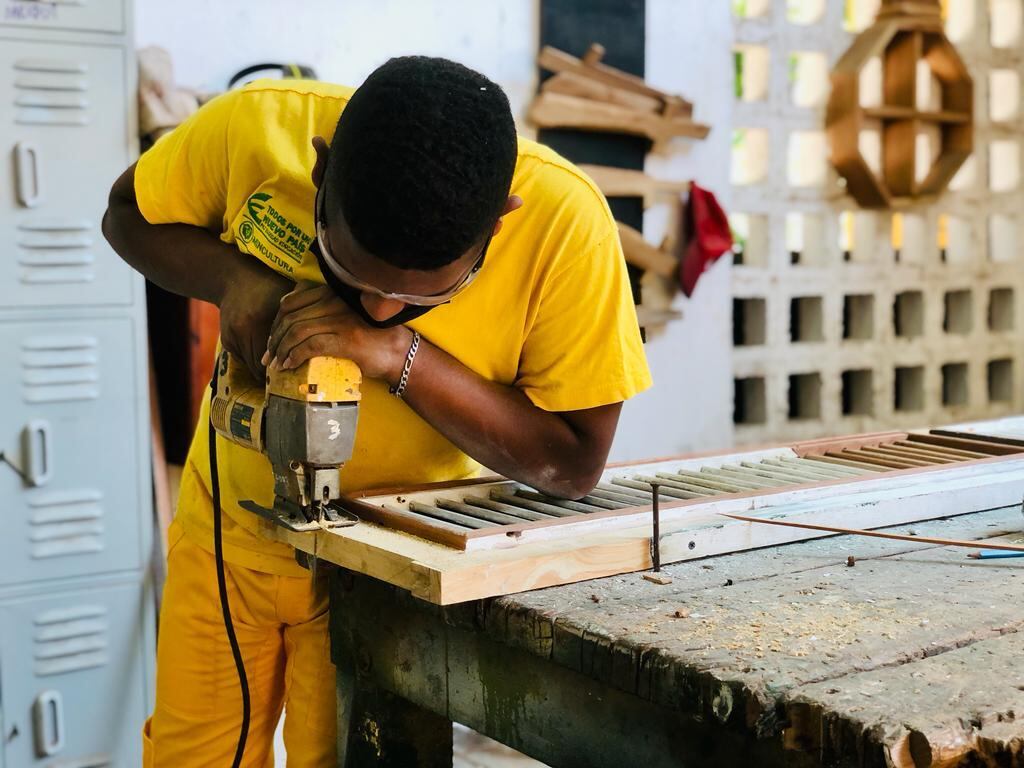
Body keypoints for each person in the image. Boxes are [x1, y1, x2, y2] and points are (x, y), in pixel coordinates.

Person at [103, 55, 651, 767]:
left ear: (498, 225)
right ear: (319, 172)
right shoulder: (254, 128)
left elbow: (573, 464)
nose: (378, 309)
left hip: (394, 564)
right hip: (229, 533)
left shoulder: (565, 224)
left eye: (420, 297)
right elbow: (125, 214)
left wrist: (399, 357)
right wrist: (234, 278)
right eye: (350, 272)